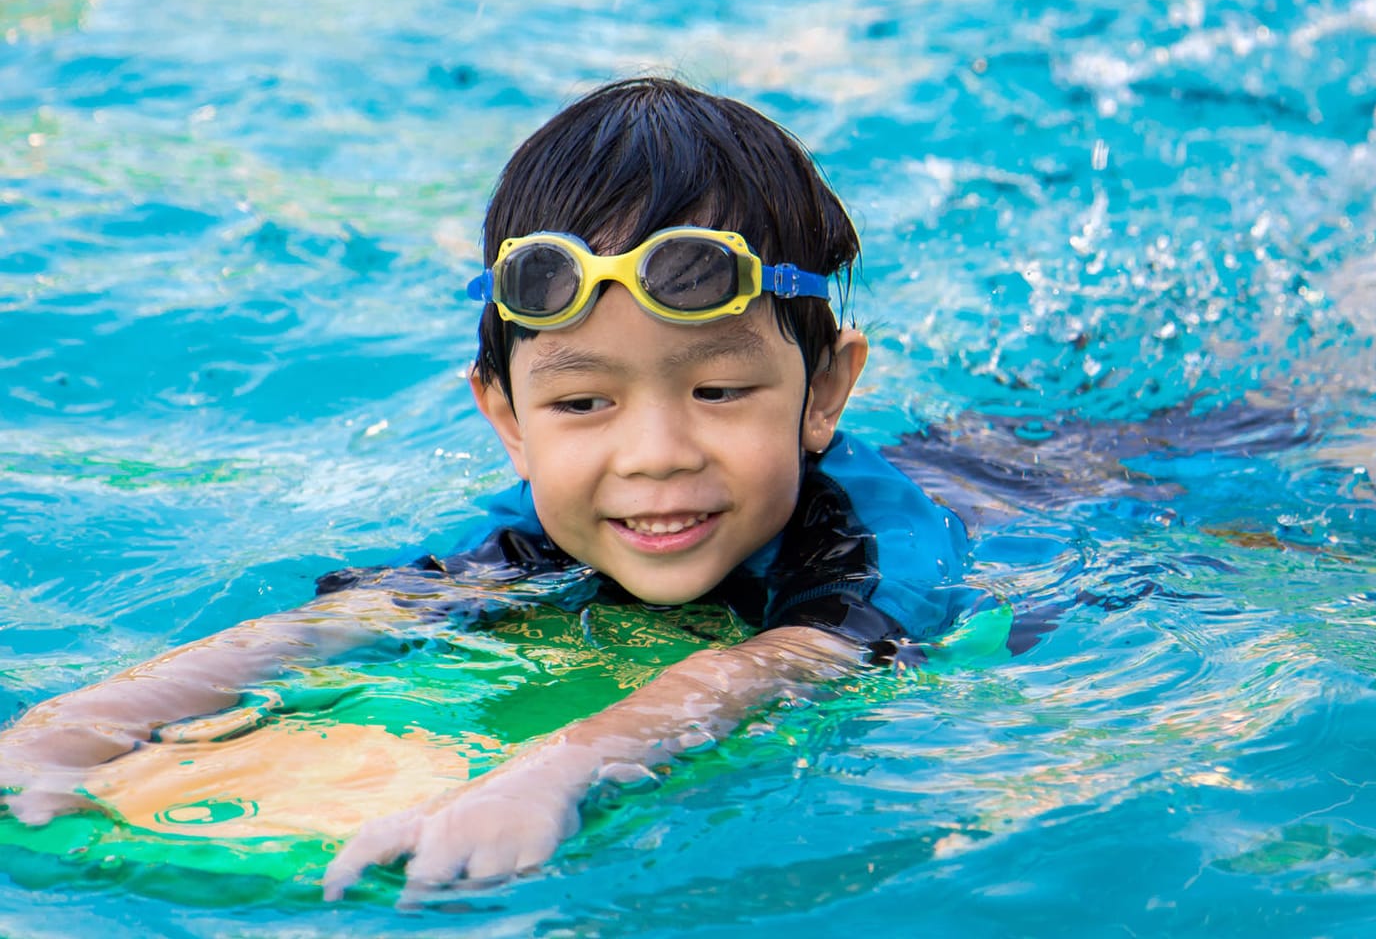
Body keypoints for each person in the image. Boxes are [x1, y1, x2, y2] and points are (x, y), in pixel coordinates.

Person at [0, 78, 977, 901]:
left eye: (718, 390)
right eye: (585, 403)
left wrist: (558, 769)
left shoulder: (875, 536)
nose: (653, 454)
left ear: (826, 394)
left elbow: (789, 661)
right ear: (509, 419)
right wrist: (73, 729)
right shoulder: (550, 527)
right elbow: (347, 621)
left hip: (1061, 482)